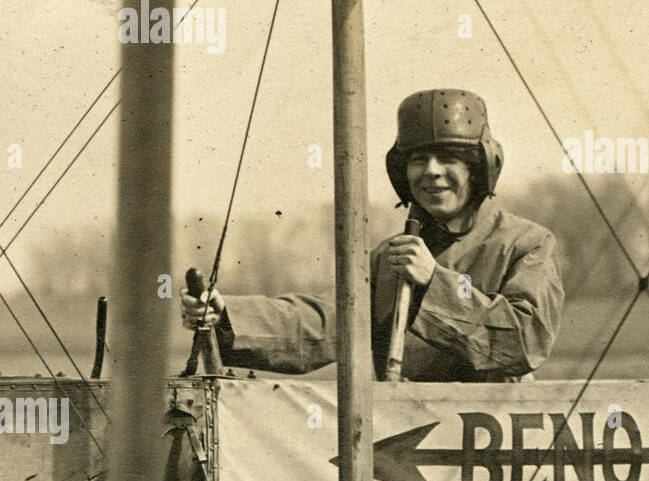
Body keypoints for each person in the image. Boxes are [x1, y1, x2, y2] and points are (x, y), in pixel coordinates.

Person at [181, 88, 564, 381]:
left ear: (478, 169)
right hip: (400, 435)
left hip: (487, 447)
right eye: (418, 159)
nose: (431, 171)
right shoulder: (392, 256)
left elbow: (525, 341)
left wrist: (435, 283)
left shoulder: (526, 244)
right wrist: (229, 315)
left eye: (448, 158)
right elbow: (330, 322)